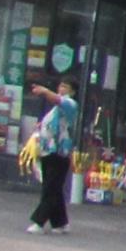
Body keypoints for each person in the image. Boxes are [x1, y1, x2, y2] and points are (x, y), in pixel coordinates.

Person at [25, 79, 80, 234]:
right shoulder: (55, 109)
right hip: (47, 151)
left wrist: (44, 90)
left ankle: (39, 221)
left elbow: (56, 99)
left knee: (51, 189)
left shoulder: (70, 104)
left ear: (72, 92)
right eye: (60, 86)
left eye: (65, 87)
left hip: (59, 152)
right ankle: (60, 223)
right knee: (53, 188)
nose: (61, 89)